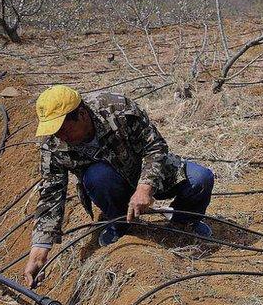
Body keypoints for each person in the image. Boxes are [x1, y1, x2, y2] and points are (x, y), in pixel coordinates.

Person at [23, 85, 215, 287]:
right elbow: (51, 194)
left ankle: (184, 221)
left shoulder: (118, 108)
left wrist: (145, 186)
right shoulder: (52, 143)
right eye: (54, 130)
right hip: (108, 183)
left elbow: (155, 147)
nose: (60, 136)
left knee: (200, 180)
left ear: (81, 114)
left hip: (145, 167)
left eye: (63, 128)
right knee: (97, 177)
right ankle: (119, 224)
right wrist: (39, 251)